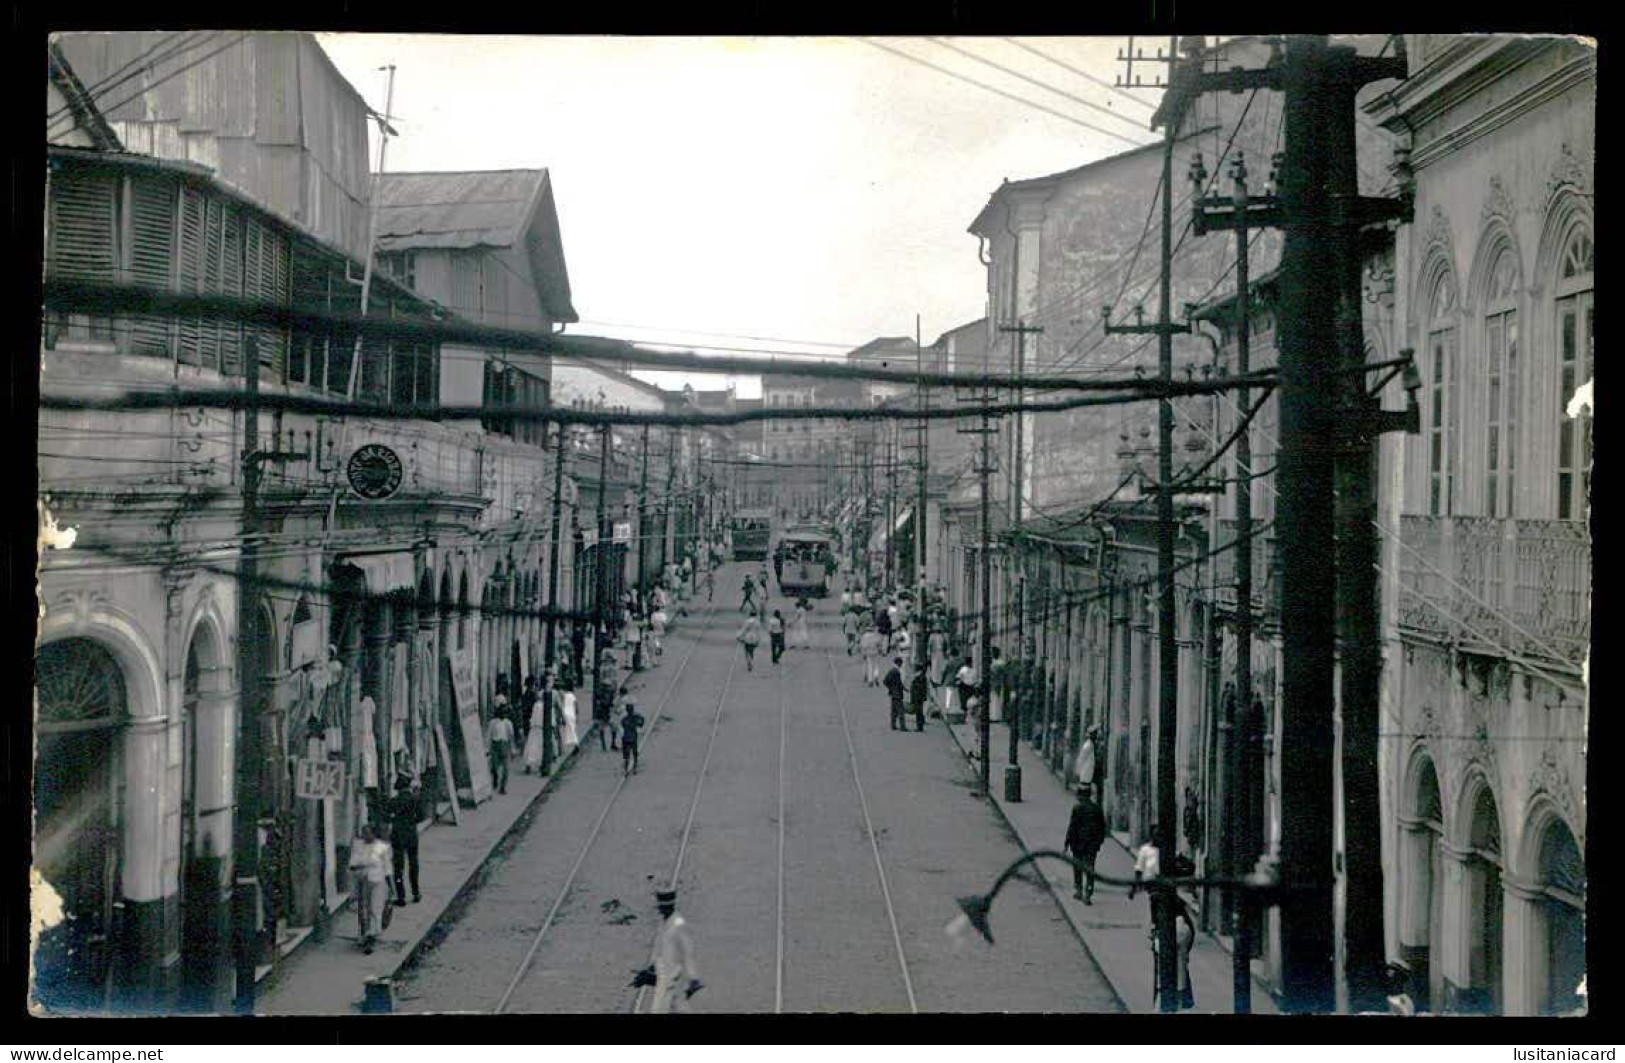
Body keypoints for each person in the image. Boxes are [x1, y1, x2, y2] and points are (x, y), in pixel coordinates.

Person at [637, 888, 703, 1013]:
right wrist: (650, 970)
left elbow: (686, 952)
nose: (661, 911)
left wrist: (693, 979)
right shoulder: (665, 924)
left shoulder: (677, 924)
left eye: (663, 908)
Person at [347, 823, 392, 954]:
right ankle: (363, 933)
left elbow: (388, 869)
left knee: (375, 908)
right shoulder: (358, 846)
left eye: (368, 832)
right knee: (363, 909)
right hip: (362, 882)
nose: (366, 835)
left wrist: (391, 888)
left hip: (378, 881)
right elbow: (352, 864)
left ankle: (371, 937)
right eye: (364, 833)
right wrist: (361, 866)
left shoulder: (382, 847)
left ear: (373, 833)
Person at [1150, 899, 1197, 1011]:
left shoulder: (1179, 926)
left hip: (1173, 972)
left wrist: (1156, 939)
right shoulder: (1182, 923)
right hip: (1175, 971)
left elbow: (1161, 945)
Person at [1064, 786, 1107, 904]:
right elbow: (1102, 827)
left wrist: (1067, 843)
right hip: (1091, 845)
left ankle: (1078, 890)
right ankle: (1088, 892)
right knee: (1090, 868)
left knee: (1077, 867)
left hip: (1077, 844)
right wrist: (1099, 842)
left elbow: (1072, 827)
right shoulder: (1097, 809)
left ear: (1081, 796)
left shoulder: (1077, 808)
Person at [388, 772, 425, 906]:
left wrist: (396, 820)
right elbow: (421, 816)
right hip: (411, 835)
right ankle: (416, 893)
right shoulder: (415, 799)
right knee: (413, 865)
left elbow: (387, 816)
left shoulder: (394, 801)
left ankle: (401, 896)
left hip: (398, 836)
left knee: (398, 868)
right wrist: (411, 822)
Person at [486, 705, 514, 795]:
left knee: (506, 769)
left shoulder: (508, 723)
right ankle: (495, 778)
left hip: (504, 745)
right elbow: (489, 736)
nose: (503, 714)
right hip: (495, 745)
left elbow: (511, 737)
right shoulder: (493, 722)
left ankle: (502, 787)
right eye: (501, 712)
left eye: (505, 712)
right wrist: (487, 749)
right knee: (494, 766)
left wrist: (512, 749)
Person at [1076, 725, 1105, 802]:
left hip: (1091, 771)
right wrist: (1078, 772)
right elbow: (1081, 759)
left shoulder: (1093, 744)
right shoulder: (1088, 745)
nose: (1096, 736)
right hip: (1087, 771)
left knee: (1089, 787)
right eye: (1094, 734)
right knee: (1085, 787)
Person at [620, 701, 647, 776]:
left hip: (625, 738)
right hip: (633, 738)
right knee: (634, 754)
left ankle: (626, 770)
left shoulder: (624, 719)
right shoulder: (635, 718)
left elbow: (622, 725)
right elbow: (641, 723)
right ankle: (634, 768)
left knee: (626, 755)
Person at [884, 656, 907, 731]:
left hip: (893, 694)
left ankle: (893, 725)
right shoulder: (897, 672)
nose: (901, 665)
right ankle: (902, 727)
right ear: (898, 663)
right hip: (898, 694)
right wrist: (903, 689)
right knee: (901, 711)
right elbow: (899, 683)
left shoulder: (891, 670)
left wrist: (890, 688)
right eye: (901, 663)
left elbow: (885, 681)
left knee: (893, 711)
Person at [909, 658, 928, 732]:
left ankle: (919, 727)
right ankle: (921, 724)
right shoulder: (921, 677)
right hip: (919, 697)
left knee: (918, 712)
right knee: (919, 712)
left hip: (918, 698)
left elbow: (918, 689)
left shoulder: (920, 678)